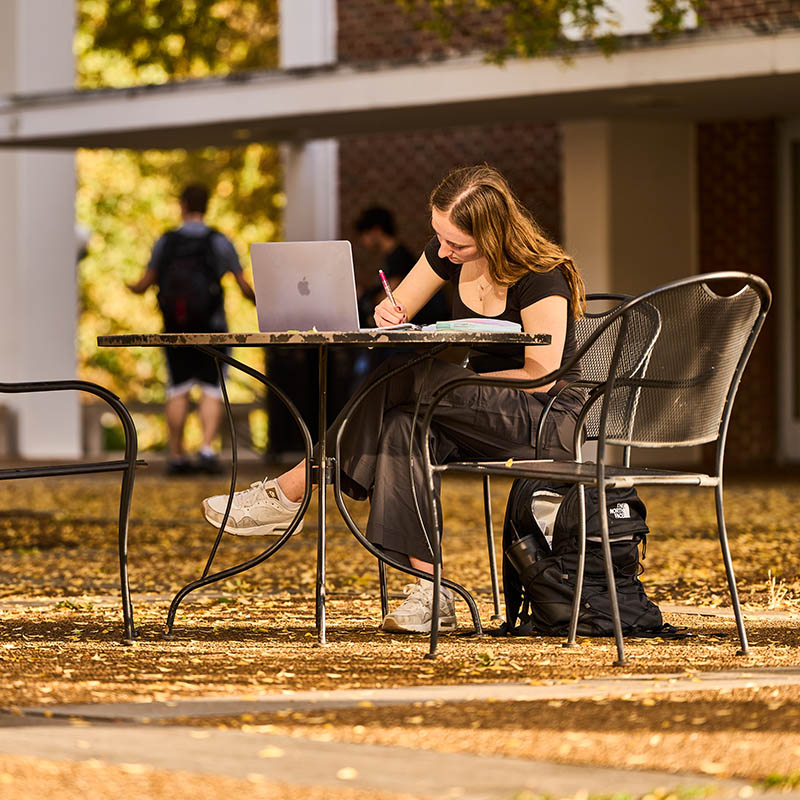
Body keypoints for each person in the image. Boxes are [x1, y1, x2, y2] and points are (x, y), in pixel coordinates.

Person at [201, 165, 586, 632]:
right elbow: (400, 311)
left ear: (494, 231)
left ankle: (293, 490)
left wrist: (452, 383)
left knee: (408, 379)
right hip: (472, 408)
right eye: (438, 238)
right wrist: (390, 312)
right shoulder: (449, 252)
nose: (444, 252)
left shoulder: (541, 275)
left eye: (457, 245)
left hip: (542, 416)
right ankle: (432, 594)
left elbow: (541, 376)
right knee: (402, 425)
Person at [128, 184, 255, 476]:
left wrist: (130, 287)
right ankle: (207, 450)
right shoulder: (218, 241)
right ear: (207, 205)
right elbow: (242, 283)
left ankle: (176, 455)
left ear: (182, 205)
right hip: (213, 328)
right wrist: (259, 298)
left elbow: (145, 282)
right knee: (211, 389)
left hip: (176, 329)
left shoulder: (167, 241)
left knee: (178, 389)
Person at [354, 205, 448, 327]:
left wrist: (365, 297)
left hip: (422, 320)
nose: (362, 241)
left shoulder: (399, 256)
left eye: (364, 234)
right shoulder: (392, 256)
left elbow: (392, 293)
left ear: (376, 231)